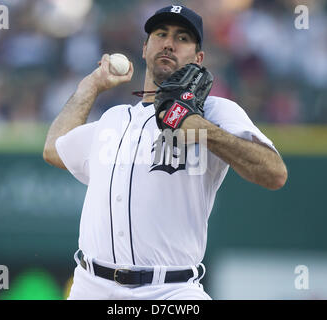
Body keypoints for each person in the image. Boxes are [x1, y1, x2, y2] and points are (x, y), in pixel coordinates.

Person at [43, 5, 287, 300]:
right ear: (145, 47)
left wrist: (199, 127)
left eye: (182, 38)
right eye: (161, 34)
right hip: (91, 287)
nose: (169, 43)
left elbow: (274, 173)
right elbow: (54, 149)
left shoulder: (213, 110)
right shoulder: (114, 119)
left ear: (198, 59)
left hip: (171, 291)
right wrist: (91, 86)